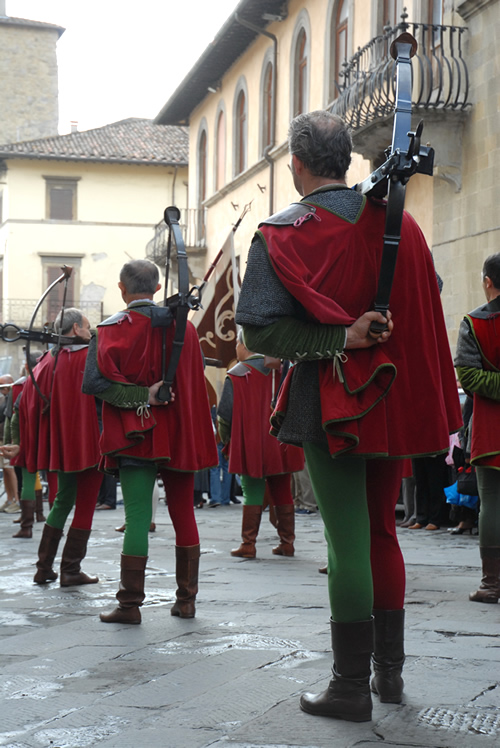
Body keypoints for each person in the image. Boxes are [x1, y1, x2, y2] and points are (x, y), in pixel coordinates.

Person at [235, 110, 462, 722]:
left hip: (327, 399)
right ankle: (388, 677)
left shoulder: (284, 233)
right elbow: (427, 291)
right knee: (383, 532)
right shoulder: (402, 225)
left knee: (347, 540)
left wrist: (337, 337)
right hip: (389, 398)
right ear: (349, 161)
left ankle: (348, 687)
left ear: (297, 166)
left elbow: (258, 329)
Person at [83, 259, 217, 624]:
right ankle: (186, 602)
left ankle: (129, 607)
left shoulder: (109, 330)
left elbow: (95, 385)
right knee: (184, 514)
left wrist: (141, 396)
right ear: (157, 289)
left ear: (122, 289)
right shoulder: (185, 331)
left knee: (138, 517)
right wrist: (149, 393)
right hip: (177, 435)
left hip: (135, 435)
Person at [3, 308, 102, 586]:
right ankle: (70, 570)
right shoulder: (88, 357)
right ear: (75, 330)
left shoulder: (46, 360)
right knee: (84, 504)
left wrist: (24, 443)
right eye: (86, 325)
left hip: (60, 444)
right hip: (88, 442)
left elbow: (26, 405)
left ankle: (43, 568)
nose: (90, 329)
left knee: (62, 501)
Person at [217, 331, 304, 558]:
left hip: (251, 441)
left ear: (244, 344)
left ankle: (249, 544)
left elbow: (224, 416)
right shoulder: (285, 370)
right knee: (283, 488)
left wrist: (227, 442)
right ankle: (287, 543)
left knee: (251, 489)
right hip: (282, 440)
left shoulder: (237, 374)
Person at [455, 252, 500, 603]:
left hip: (492, 427)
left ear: (488, 281)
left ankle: (492, 583)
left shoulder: (473, 322)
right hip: (489, 427)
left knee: (493, 503)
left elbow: (468, 376)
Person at [0, 374, 20, 514]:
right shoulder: (4, 399)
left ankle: (17, 500)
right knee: (6, 470)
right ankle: (10, 498)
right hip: (3, 438)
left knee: (10, 469)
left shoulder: (13, 395)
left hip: (8, 439)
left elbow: (10, 420)